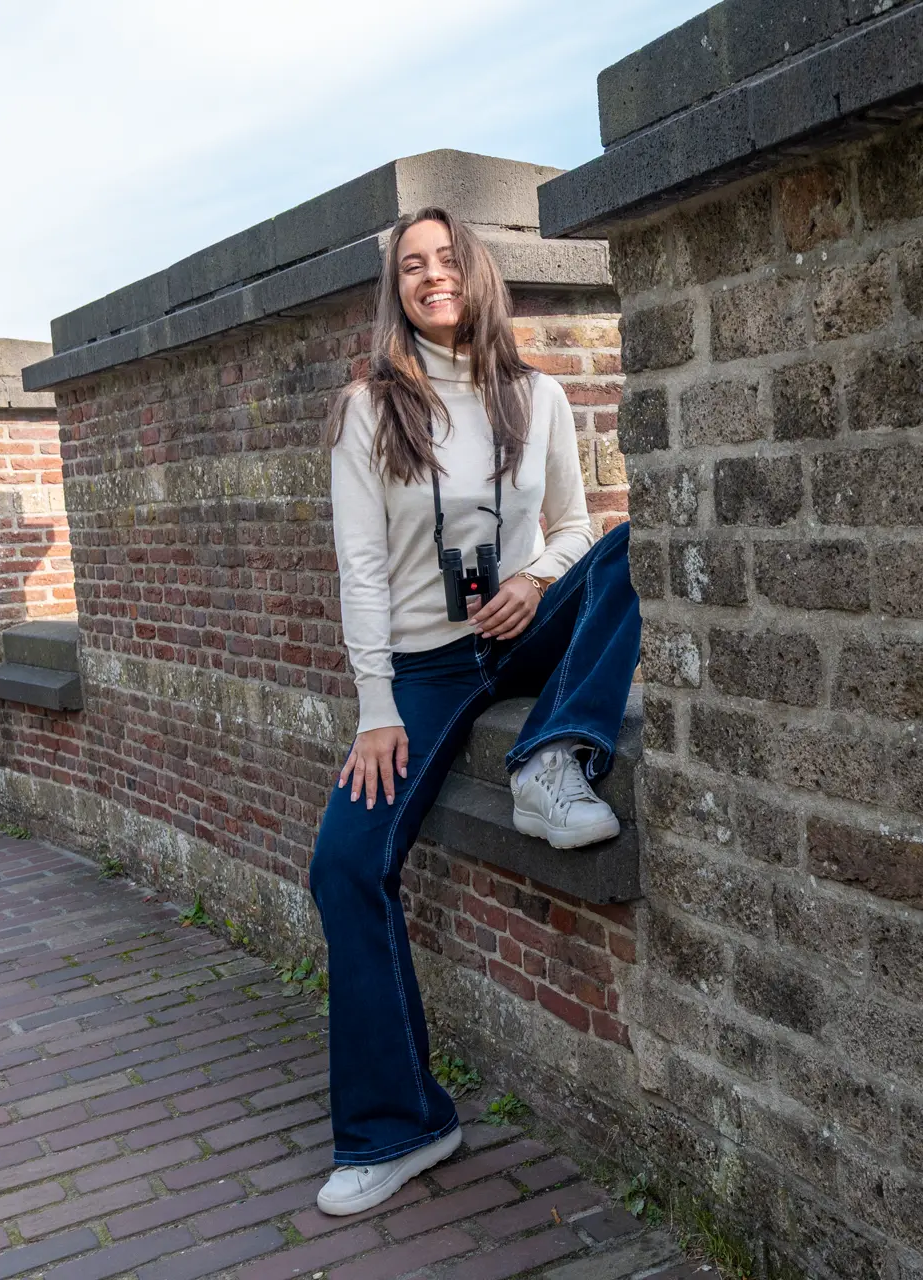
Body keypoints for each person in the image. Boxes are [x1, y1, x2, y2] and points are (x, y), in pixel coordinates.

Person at [306, 206, 640, 1216]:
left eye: (447, 259)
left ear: (478, 274)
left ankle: (550, 755)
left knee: (630, 545)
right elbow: (361, 568)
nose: (432, 275)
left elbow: (579, 527)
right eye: (412, 265)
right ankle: (399, 1122)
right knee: (344, 864)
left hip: (520, 627)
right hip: (424, 665)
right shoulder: (372, 408)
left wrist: (537, 581)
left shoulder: (535, 396)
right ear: (395, 290)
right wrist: (375, 707)